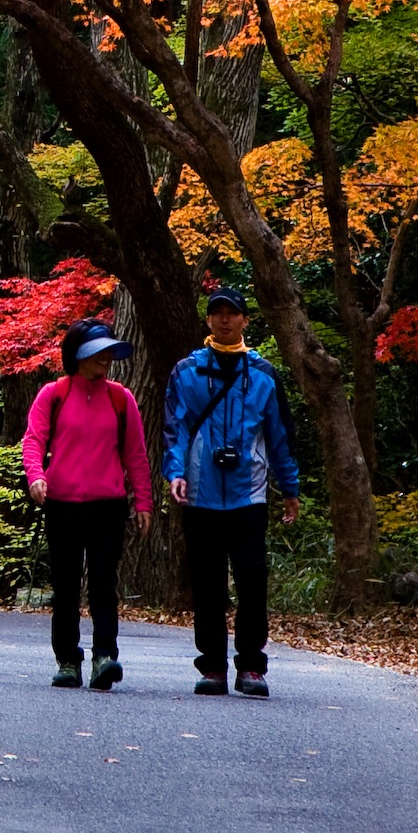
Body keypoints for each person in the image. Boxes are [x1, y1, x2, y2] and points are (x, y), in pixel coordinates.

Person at [160, 287, 303, 696]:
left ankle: (252, 667)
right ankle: (212, 667)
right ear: (208, 321)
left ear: (244, 320)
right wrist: (175, 473)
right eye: (217, 313)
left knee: (252, 581)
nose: (225, 320)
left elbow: (280, 437)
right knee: (207, 585)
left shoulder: (262, 374)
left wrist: (289, 487)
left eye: (232, 314)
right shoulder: (186, 372)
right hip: (201, 493)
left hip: (249, 494)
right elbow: (176, 428)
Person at [21, 319, 148, 689]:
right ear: (77, 355)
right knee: (65, 583)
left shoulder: (121, 398)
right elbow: (33, 440)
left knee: (104, 584)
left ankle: (104, 657)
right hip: (61, 503)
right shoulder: (53, 394)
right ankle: (67, 660)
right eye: (97, 353)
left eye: (109, 352)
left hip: (108, 504)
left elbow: (136, 455)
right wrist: (36, 476)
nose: (106, 359)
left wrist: (144, 501)